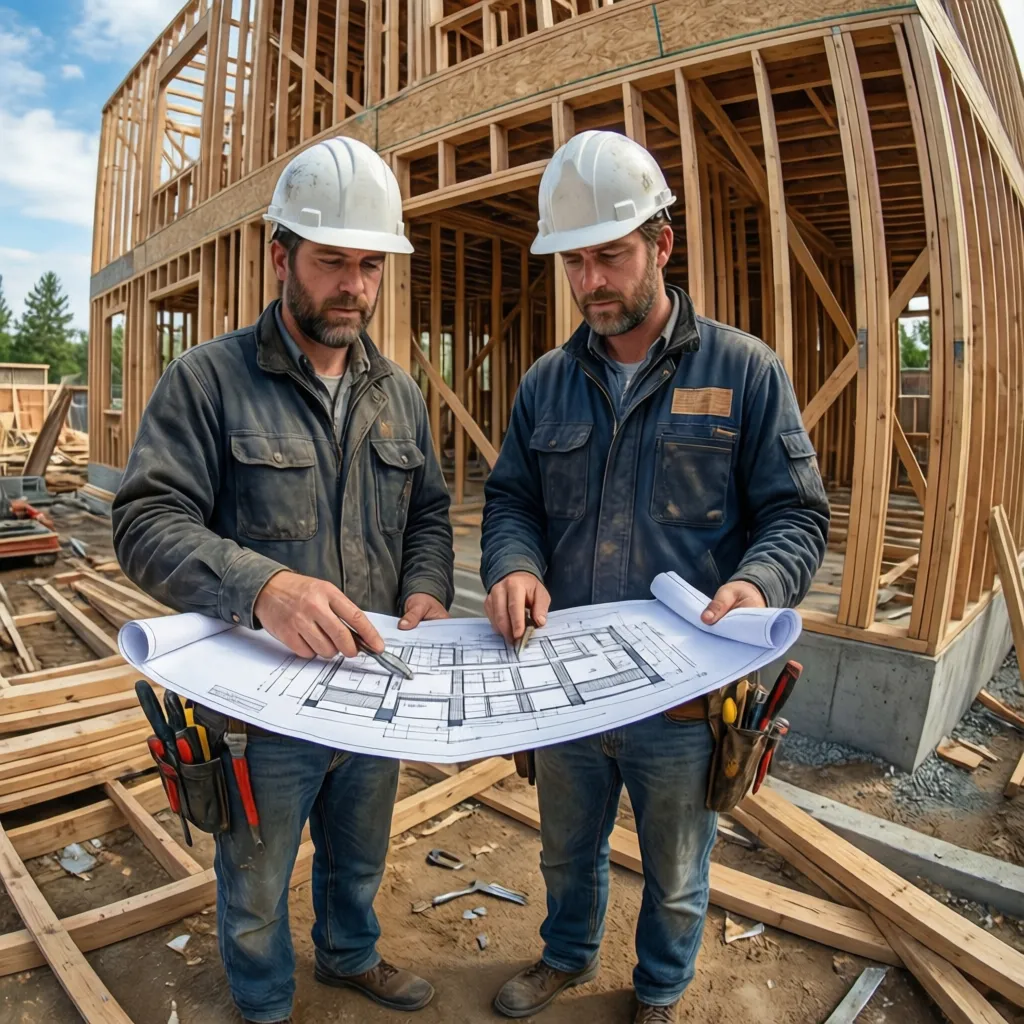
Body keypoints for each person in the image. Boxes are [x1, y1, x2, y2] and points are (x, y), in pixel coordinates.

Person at [481, 130, 829, 1023]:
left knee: (678, 869)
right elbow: (512, 499)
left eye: (611, 254)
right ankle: (565, 956)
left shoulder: (743, 371)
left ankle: (661, 990)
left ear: (662, 245)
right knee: (566, 850)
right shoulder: (545, 385)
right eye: (574, 261)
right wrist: (514, 563)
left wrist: (757, 584)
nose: (591, 280)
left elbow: (797, 514)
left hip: (684, 700)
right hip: (565, 684)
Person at [113, 136, 454, 1024]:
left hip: (371, 690)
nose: (354, 286)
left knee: (360, 852)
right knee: (256, 877)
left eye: (369, 266)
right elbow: (145, 523)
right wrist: (263, 586)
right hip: (259, 707)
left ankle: (349, 955)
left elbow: (427, 514)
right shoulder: (208, 382)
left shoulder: (399, 395)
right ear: (280, 257)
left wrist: (426, 588)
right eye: (332, 261)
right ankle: (263, 1002)